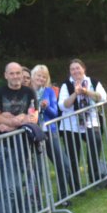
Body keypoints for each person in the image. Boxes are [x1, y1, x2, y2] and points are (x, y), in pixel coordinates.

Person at [0, 62, 38, 213]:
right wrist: (16, 120)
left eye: (18, 73)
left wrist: (10, 122)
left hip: (18, 145)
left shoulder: (29, 92)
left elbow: (33, 118)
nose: (15, 76)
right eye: (12, 73)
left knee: (14, 186)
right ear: (6, 75)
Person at [58, 58, 107, 192]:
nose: (75, 71)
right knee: (73, 155)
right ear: (70, 72)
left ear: (83, 69)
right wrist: (75, 93)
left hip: (91, 122)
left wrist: (86, 91)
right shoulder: (66, 85)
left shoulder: (93, 82)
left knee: (95, 146)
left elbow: (102, 97)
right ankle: (76, 187)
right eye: (72, 69)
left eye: (77, 68)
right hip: (71, 125)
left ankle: (95, 178)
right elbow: (62, 105)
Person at [31, 65, 74, 202]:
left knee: (64, 164)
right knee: (38, 170)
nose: (41, 78)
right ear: (33, 76)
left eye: (44, 76)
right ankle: (35, 201)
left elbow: (55, 113)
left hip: (50, 131)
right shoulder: (27, 92)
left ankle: (63, 196)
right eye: (38, 75)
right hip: (33, 134)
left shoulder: (49, 91)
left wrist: (46, 106)